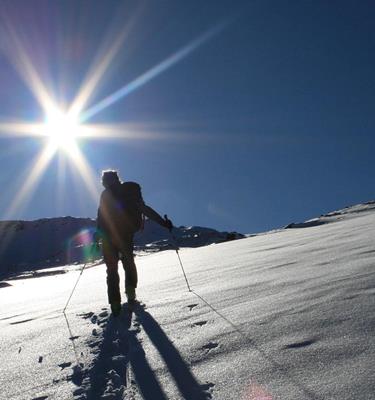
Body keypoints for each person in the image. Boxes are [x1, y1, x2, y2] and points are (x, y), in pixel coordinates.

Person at [96, 170, 173, 315]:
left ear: (105, 181)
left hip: (107, 236)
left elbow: (101, 217)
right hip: (125, 233)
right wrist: (163, 223)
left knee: (111, 270)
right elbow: (144, 209)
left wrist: (98, 235)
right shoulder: (130, 190)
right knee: (128, 262)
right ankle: (131, 292)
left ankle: (115, 304)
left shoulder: (105, 195)